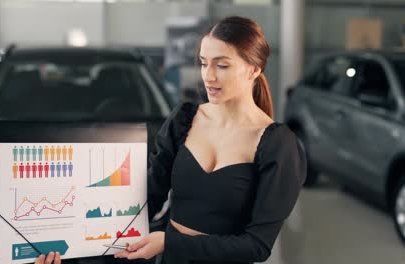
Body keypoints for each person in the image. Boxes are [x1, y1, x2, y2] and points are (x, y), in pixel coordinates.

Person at [35, 15, 306, 264]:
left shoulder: (277, 145)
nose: (208, 76)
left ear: (254, 69)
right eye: (203, 63)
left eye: (222, 65)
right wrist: (70, 241)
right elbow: (146, 199)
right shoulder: (184, 120)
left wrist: (169, 241)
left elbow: (257, 246)